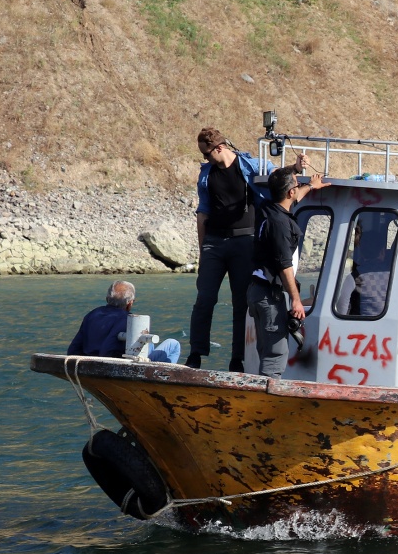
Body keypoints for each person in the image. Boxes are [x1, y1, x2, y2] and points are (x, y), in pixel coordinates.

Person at [188, 127, 291, 371]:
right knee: (204, 299)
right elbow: (202, 214)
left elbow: (275, 174)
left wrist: (295, 168)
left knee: (241, 303)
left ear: (219, 148)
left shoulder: (248, 165)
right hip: (214, 242)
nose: (205, 159)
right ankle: (196, 353)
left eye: (206, 154)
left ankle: (237, 358)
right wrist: (203, 251)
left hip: (244, 242)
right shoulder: (207, 174)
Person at [247, 167, 325, 379]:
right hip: (269, 295)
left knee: (265, 350)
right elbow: (284, 265)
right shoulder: (281, 224)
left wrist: (310, 186)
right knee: (275, 355)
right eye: (297, 185)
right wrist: (296, 300)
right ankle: (268, 397)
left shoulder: (268, 208)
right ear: (290, 192)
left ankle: (260, 391)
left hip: (256, 291)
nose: (298, 188)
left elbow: (293, 198)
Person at [68, 280, 181, 363]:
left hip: (89, 361)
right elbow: (107, 350)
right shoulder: (128, 319)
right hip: (125, 366)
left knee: (148, 344)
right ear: (130, 303)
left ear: (107, 299)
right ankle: (165, 379)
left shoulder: (93, 314)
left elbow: (74, 348)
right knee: (173, 344)